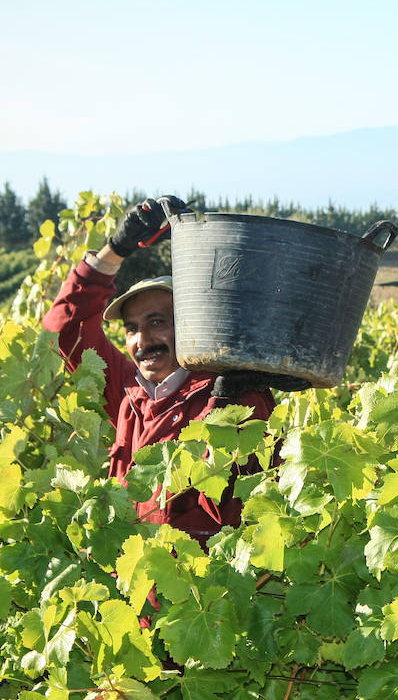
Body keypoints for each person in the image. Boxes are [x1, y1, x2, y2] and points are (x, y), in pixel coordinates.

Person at [43, 195, 275, 544]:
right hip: (132, 587)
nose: (143, 340)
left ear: (191, 324)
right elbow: (65, 330)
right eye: (132, 328)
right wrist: (115, 250)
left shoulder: (236, 396)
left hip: (193, 592)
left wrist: (226, 413)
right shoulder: (128, 392)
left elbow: (237, 516)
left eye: (157, 322)